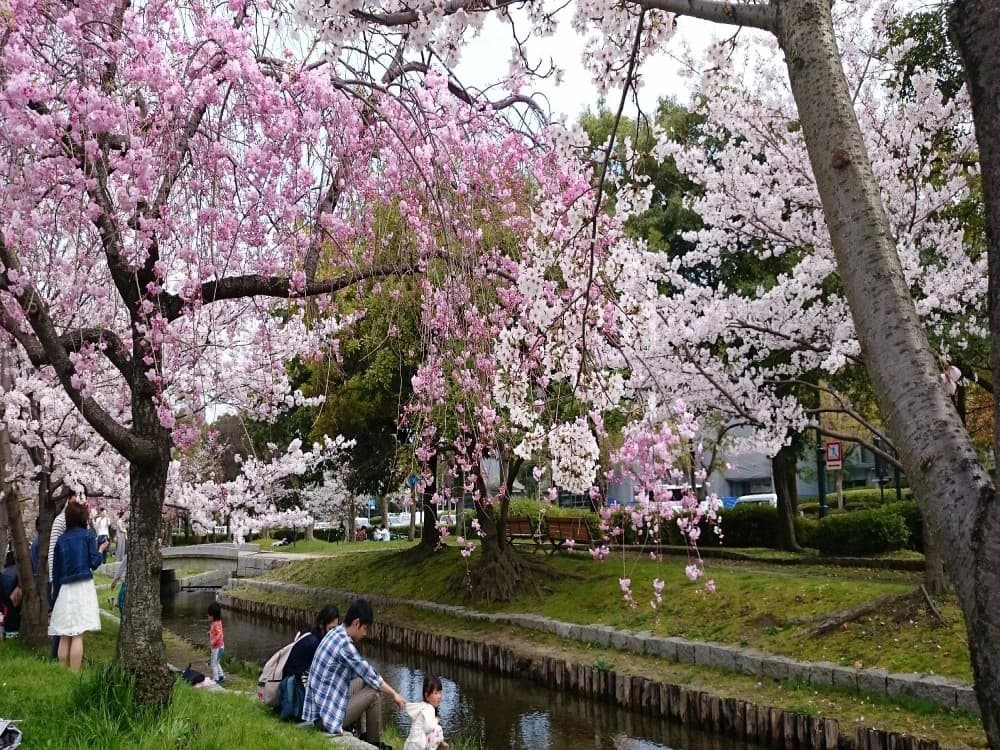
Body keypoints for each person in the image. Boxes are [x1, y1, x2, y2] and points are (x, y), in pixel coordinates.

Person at [302, 598, 405, 749]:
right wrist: (394, 694)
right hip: (326, 717)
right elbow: (371, 674)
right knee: (374, 693)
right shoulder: (345, 645)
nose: (366, 633)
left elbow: (363, 675)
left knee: (363, 681)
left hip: (320, 706)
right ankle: (374, 743)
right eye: (365, 628)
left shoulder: (337, 632)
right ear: (356, 623)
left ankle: (361, 734)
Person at [48, 499, 108, 671]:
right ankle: (74, 675)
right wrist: (101, 549)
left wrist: (55, 598)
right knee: (78, 635)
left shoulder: (61, 540)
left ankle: (62, 672)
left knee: (65, 635)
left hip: (65, 589)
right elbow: (94, 562)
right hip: (83, 588)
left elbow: (56, 572)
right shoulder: (87, 536)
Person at [278, 604, 341, 720]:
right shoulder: (315, 645)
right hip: (299, 697)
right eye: (331, 629)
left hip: (293, 686)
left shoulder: (307, 633)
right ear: (322, 625)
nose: (333, 634)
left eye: (336, 630)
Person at [404, 674, 448, 750]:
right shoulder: (429, 708)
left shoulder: (423, 706)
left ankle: (439, 744)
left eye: (440, 693)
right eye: (436, 693)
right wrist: (436, 720)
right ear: (427, 695)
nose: (439, 696)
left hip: (412, 745)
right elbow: (428, 727)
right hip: (418, 746)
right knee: (438, 729)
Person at [207, 601, 225, 683]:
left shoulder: (215, 624)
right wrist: (210, 632)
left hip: (217, 647)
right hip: (220, 647)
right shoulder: (217, 622)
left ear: (213, 616)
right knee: (217, 662)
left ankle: (216, 679)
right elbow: (215, 632)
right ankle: (221, 676)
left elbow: (219, 634)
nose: (208, 616)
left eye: (209, 614)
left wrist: (213, 641)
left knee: (213, 664)